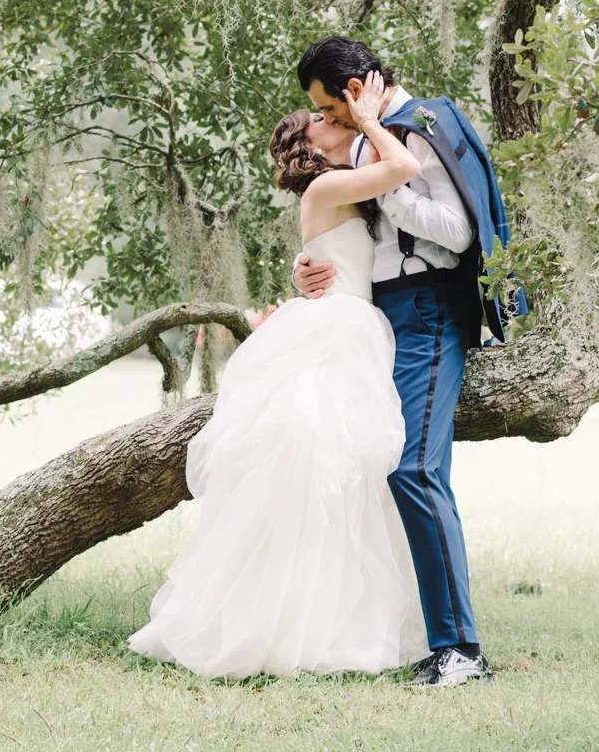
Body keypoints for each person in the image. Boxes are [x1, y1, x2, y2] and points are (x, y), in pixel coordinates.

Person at [128, 72, 426, 679]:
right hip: (335, 332)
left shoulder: (342, 189)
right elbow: (403, 167)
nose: (336, 119)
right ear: (306, 144)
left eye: (337, 114)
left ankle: (334, 623)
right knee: (316, 468)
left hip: (348, 324)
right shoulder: (326, 187)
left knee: (350, 478)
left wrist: (304, 267)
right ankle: (279, 624)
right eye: (323, 118)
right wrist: (369, 120)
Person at [292, 37, 491, 688]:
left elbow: (457, 233)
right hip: (383, 316)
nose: (321, 118)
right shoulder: (372, 139)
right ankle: (432, 640)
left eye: (324, 105)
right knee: (381, 465)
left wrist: (390, 185)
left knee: (414, 468)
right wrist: (312, 266)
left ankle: (460, 647)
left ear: (352, 92)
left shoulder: (416, 128)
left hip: (429, 309)